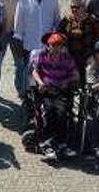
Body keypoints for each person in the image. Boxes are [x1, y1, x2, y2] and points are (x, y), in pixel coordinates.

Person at [11, 0, 61, 101]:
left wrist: (55, 44)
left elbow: (57, 22)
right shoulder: (23, 0)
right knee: (29, 78)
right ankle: (28, 104)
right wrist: (18, 45)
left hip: (48, 49)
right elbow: (18, 26)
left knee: (46, 77)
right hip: (29, 47)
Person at [31, 32, 79, 160]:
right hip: (46, 91)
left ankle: (61, 144)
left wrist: (66, 81)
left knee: (61, 112)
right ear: (48, 46)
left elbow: (76, 75)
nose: (56, 48)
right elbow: (35, 71)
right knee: (47, 112)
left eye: (59, 45)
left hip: (61, 91)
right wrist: (40, 83)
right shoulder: (41, 55)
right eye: (53, 45)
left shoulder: (67, 58)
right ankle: (46, 145)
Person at [57, 0, 99, 80]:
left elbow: (98, 37)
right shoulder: (67, 20)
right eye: (72, 7)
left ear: (84, 7)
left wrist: (95, 54)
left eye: (77, 7)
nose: (74, 9)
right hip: (71, 55)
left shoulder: (93, 20)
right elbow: (59, 35)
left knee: (89, 76)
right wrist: (63, 48)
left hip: (88, 56)